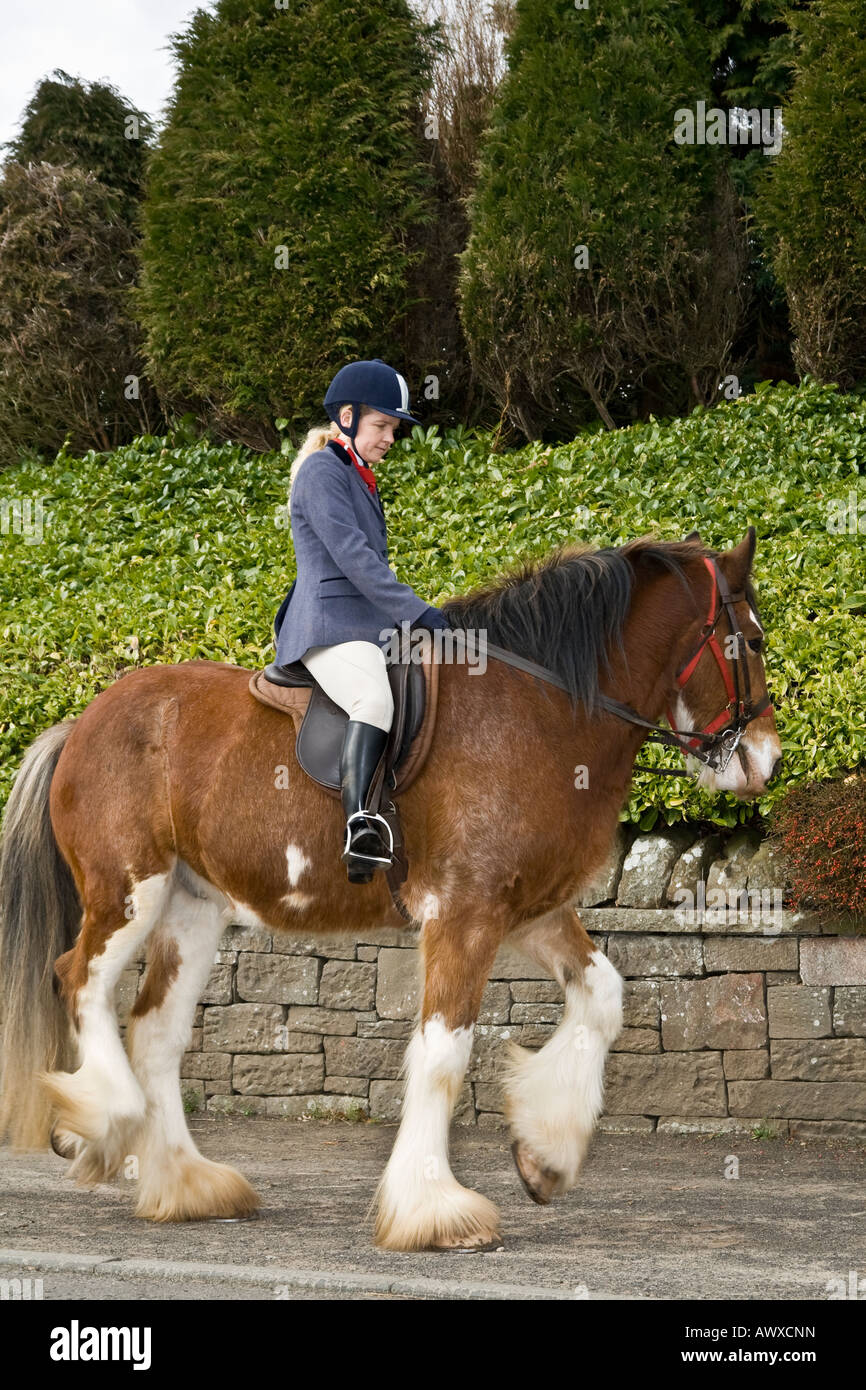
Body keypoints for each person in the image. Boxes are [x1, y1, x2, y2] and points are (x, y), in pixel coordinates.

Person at [273, 359, 450, 883]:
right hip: (328, 626)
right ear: (346, 418)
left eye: (394, 429)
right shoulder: (322, 472)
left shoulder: (359, 478)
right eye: (382, 426)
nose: (391, 437)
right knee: (372, 698)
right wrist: (417, 612)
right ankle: (360, 823)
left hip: (369, 627)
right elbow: (354, 557)